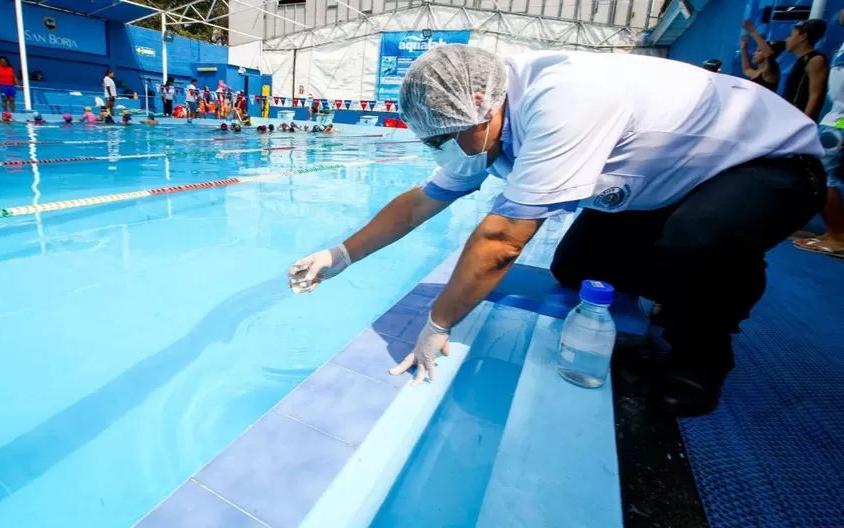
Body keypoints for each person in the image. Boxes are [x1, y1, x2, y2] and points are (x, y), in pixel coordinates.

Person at [287, 45, 827, 417]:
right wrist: (338, 255)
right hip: (671, 182)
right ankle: (682, 279)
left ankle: (702, 354)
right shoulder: (482, 115)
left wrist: (438, 323)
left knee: (697, 242)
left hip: (772, 167)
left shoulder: (566, 99)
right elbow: (417, 205)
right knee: (575, 267)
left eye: (443, 138)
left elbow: (502, 241)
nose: (441, 150)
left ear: (481, 112)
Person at [795, 8, 844, 258]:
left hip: (840, 125)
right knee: (824, 175)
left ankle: (837, 236)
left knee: (826, 178)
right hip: (835, 121)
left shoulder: (817, 60)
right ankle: (832, 233)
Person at [784, 19, 829, 122]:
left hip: (799, 121)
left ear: (803, 37)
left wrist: (803, 123)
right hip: (790, 118)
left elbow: (815, 96)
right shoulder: (801, 61)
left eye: (791, 35)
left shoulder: (816, 60)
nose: (787, 39)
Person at [739, 20, 782, 92]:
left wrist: (752, 31)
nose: (754, 53)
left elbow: (769, 54)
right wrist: (744, 49)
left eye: (759, 50)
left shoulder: (770, 73)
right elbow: (746, 70)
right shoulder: (757, 73)